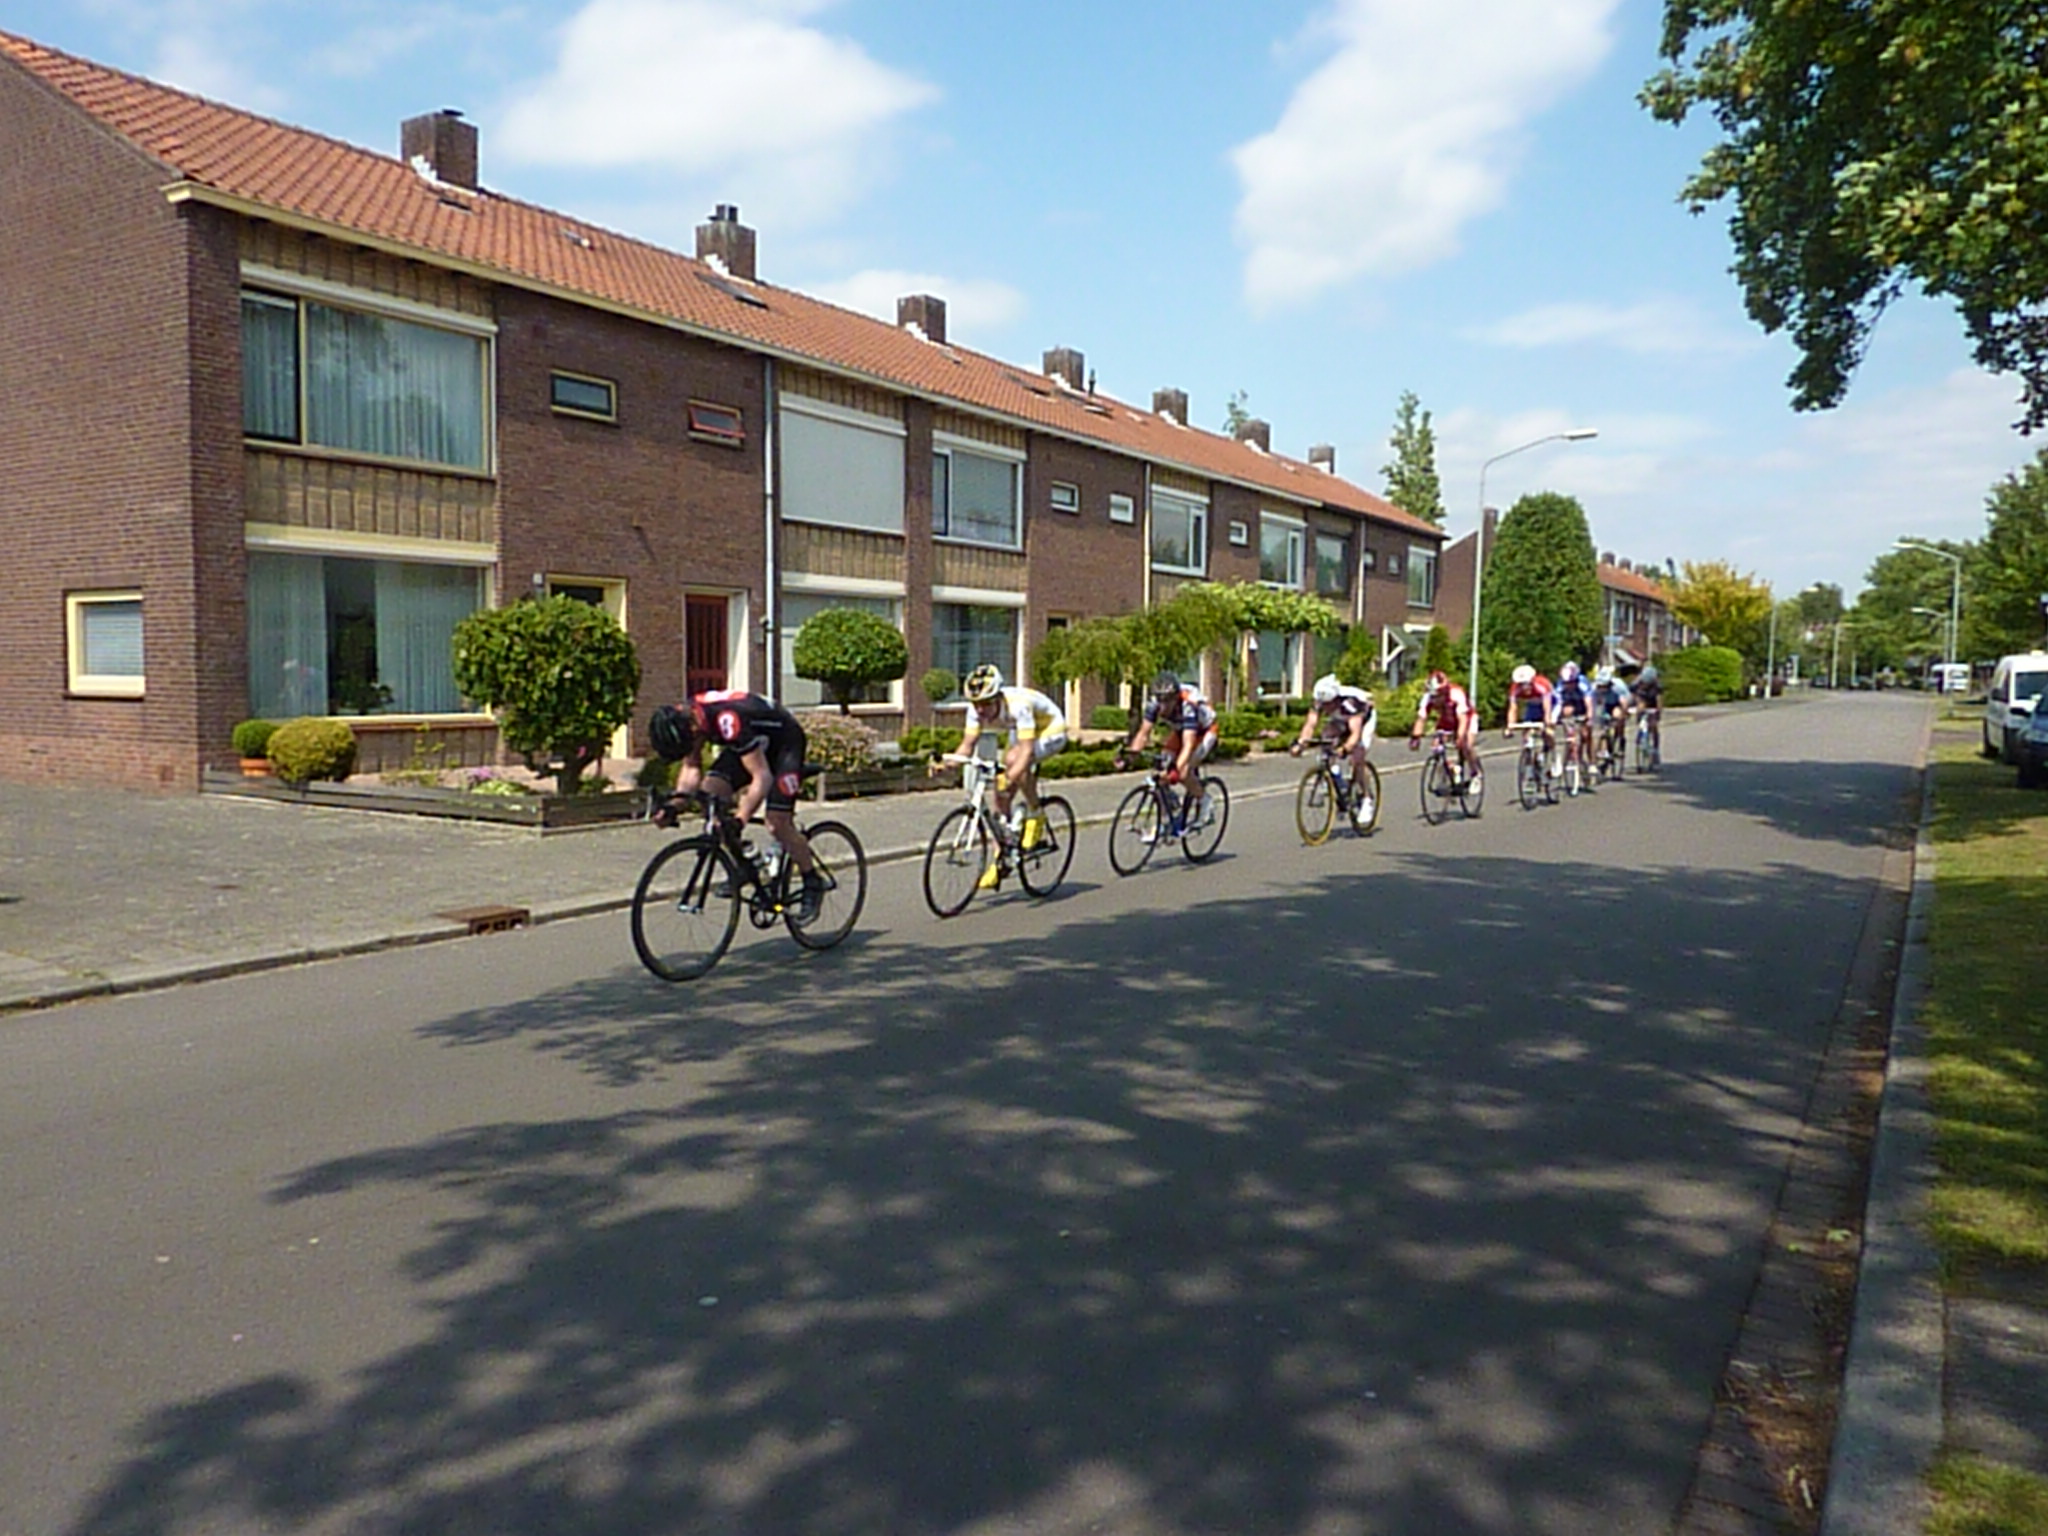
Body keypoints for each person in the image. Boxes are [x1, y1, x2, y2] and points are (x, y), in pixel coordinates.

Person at [646, 690, 824, 920]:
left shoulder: (727, 719)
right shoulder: (689, 719)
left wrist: (741, 818)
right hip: (753, 743)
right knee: (709, 797)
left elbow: (762, 777)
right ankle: (745, 863)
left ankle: (812, 880)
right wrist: (674, 806)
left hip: (785, 745)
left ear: (692, 729)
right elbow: (691, 768)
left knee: (777, 823)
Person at [957, 664, 1069, 888]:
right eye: (976, 704)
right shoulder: (975, 710)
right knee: (1000, 796)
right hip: (1019, 731)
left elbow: (1026, 751)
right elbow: (967, 746)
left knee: (1013, 763)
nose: (980, 710)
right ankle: (1002, 859)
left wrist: (1012, 775)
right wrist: (947, 762)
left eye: (986, 704)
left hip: (1050, 729)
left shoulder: (1018, 706)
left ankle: (1035, 814)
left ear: (998, 697)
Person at [1121, 671, 1220, 837]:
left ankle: (1205, 801)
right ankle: (1169, 813)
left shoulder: (1188, 706)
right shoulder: (1154, 704)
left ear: (1176, 698)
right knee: (1161, 768)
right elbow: (1144, 733)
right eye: (1160, 700)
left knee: (1182, 772)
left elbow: (1188, 745)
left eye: (1168, 701)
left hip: (1204, 731)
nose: (1163, 706)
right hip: (1180, 730)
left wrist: (1176, 770)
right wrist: (1131, 754)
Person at [1291, 673, 1376, 786]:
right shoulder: (1319, 701)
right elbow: (1310, 724)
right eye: (1323, 704)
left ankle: (1366, 797)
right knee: (1326, 737)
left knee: (1357, 757)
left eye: (1327, 704)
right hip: (1341, 718)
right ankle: (1334, 775)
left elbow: (1355, 733)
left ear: (1335, 699)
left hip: (1364, 720)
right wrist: (1300, 744)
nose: (1324, 707)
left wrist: (1345, 748)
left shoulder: (1350, 703)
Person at [1408, 668, 1481, 784]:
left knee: (1467, 745)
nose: (1436, 699)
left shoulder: (1456, 694)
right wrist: (1415, 737)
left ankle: (1475, 773)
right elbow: (1421, 718)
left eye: (1439, 695)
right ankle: (1450, 771)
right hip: (1447, 719)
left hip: (1467, 718)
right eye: (1433, 696)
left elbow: (1462, 719)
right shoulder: (1428, 697)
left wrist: (1460, 737)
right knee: (1437, 747)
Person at [1503, 662, 1558, 767]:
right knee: (1526, 728)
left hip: (1551, 703)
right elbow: (1513, 708)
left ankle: (1554, 759)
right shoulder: (1515, 689)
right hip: (1533, 704)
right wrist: (1509, 727)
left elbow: (1547, 708)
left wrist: (1548, 722)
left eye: (1526, 684)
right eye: (1521, 684)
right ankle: (1529, 749)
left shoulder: (1541, 685)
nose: (1524, 688)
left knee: (1548, 731)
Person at [1553, 660, 1595, 773]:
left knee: (1586, 734)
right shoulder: (1560, 685)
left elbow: (1589, 703)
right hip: (1570, 704)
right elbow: (1557, 703)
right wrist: (1554, 718)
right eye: (1566, 683)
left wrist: (1589, 717)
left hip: (1582, 704)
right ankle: (1569, 756)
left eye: (1571, 683)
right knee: (1570, 733)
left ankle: (1592, 762)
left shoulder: (1583, 683)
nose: (1568, 685)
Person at [1592, 665, 1632, 765]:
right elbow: (1592, 704)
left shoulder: (1618, 687)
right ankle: (1602, 751)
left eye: (1604, 686)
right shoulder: (1594, 688)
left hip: (1616, 703)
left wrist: (1624, 714)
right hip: (1604, 705)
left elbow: (1624, 703)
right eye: (1600, 686)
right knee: (1601, 728)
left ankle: (1620, 739)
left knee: (1617, 716)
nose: (1602, 688)